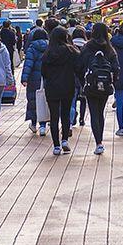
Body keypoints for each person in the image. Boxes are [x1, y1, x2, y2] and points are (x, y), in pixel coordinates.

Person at [78, 22, 120, 154]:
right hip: (105, 85)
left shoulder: (87, 47)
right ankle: (100, 141)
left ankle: (98, 142)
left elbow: (80, 66)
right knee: (100, 112)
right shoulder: (109, 48)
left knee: (94, 112)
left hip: (90, 84)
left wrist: (82, 81)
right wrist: (113, 81)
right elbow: (116, 68)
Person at [41, 26, 81, 155]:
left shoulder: (47, 53)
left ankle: (56, 146)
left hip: (52, 88)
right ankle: (64, 140)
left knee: (54, 117)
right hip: (68, 86)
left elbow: (44, 72)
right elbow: (78, 68)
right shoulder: (72, 51)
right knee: (65, 114)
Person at [21, 20, 51, 135]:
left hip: (34, 78)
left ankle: (33, 124)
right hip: (47, 78)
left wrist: (24, 79)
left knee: (33, 100)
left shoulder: (32, 48)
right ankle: (43, 126)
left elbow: (28, 64)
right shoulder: (50, 47)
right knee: (44, 100)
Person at [70, 26, 88, 127]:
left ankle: (72, 119)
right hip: (84, 76)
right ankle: (82, 118)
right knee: (83, 99)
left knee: (72, 99)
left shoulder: (71, 45)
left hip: (73, 75)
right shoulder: (87, 45)